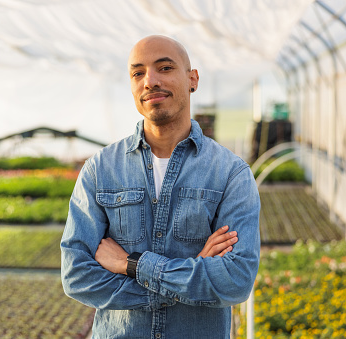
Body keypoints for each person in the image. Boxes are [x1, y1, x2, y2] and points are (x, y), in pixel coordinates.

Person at [61, 35, 261, 339]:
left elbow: (235, 280)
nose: (150, 81)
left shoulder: (230, 173)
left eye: (164, 68)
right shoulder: (100, 169)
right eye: (137, 73)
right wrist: (190, 275)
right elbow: (77, 276)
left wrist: (130, 264)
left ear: (192, 79)